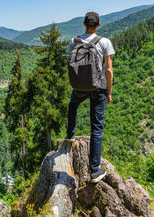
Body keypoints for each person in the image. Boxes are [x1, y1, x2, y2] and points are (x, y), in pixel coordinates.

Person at [66, 12, 115, 183]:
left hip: (79, 86)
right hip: (98, 88)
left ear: (83, 24)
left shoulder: (74, 41)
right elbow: (108, 70)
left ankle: (70, 136)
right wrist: (109, 91)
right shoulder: (104, 42)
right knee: (97, 128)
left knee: (73, 106)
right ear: (98, 25)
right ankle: (94, 171)